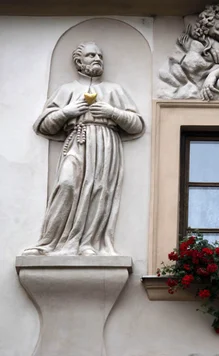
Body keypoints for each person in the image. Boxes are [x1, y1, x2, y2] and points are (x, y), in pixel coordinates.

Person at [22, 42, 145, 256]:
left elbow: (136, 124)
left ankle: (88, 243)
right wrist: (67, 111)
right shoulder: (67, 90)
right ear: (79, 62)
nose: (97, 58)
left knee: (99, 190)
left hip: (106, 143)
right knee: (66, 184)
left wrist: (112, 111)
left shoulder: (113, 90)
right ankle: (50, 243)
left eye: (99, 55)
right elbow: (44, 125)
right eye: (91, 55)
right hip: (76, 141)